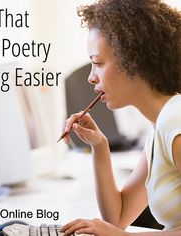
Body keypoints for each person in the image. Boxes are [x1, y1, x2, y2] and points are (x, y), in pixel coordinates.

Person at [60, 0, 181, 235]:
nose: (91, 78)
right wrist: (99, 147)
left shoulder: (174, 122)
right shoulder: (160, 126)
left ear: (132, 62)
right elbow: (117, 218)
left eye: (97, 63)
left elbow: (117, 231)